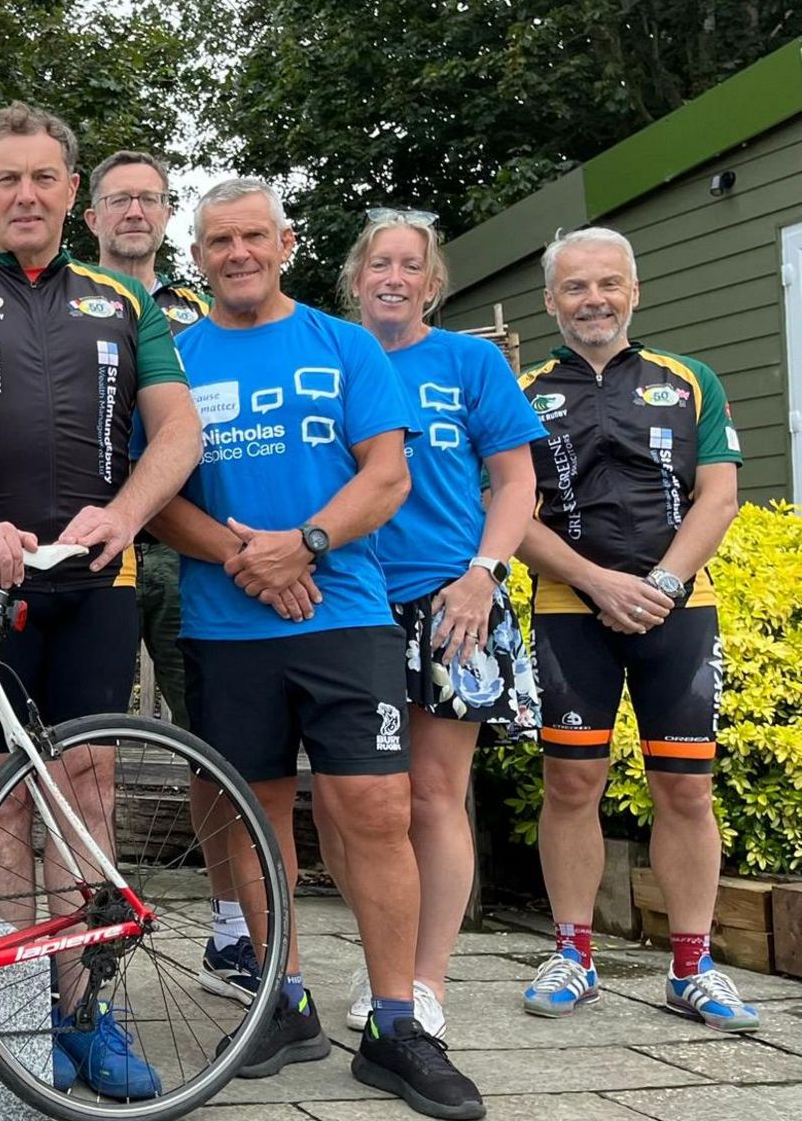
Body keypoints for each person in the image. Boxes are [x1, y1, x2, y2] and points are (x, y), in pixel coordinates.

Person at [144, 177, 482, 1117]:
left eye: (254, 235)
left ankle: (395, 1022)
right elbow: (159, 496)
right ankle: (281, 1001)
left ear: (286, 242)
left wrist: (309, 544)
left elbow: (388, 475)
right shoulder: (172, 361)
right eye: (218, 241)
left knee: (377, 809)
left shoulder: (343, 347)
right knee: (255, 817)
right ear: (198, 255)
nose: (238, 253)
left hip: (347, 617)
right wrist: (251, 558)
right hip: (226, 623)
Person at [0, 102, 201, 1101]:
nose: (25, 195)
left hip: (93, 575)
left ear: (72, 193)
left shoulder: (120, 298)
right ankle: (9, 1009)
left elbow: (176, 430)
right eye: (5, 179)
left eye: (43, 179)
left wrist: (127, 512)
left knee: (88, 788)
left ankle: (82, 1012)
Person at [515, 227, 756, 1031]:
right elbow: (511, 510)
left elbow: (717, 498)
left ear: (635, 291)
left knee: (686, 788)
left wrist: (658, 583)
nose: (594, 300)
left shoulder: (692, 379)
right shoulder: (522, 386)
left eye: (609, 284)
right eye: (576, 288)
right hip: (568, 606)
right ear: (552, 301)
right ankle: (573, 955)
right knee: (570, 783)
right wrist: (594, 582)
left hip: (675, 608)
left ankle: (693, 967)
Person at [327, 209, 545, 1039]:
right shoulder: (330, 354)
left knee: (433, 796)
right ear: (356, 277)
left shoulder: (471, 360)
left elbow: (516, 483)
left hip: (451, 599)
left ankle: (425, 981)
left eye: (409, 266)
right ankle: (381, 952)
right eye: (378, 263)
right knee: (354, 802)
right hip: (346, 600)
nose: (392, 277)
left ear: (433, 282)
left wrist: (482, 575)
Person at [81, 148, 258, 1004]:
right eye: (117, 200)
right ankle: (89, 926)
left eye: (149, 200)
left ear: (167, 217)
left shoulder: (203, 311)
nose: (134, 214)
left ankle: (231, 929)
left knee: (208, 739)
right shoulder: (64, 299)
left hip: (190, 546)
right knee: (92, 752)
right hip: (97, 550)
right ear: (93, 216)